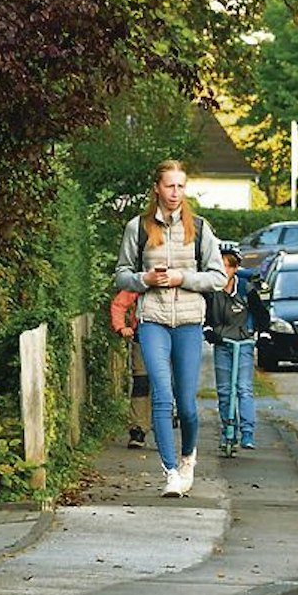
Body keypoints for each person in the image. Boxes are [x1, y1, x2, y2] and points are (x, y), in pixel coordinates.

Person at [115, 160, 226, 497]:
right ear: (157, 188)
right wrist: (144, 279)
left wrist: (182, 278)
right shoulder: (137, 227)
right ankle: (171, 473)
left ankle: (188, 457)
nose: (175, 192)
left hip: (189, 322)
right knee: (162, 395)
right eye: (169, 185)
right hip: (153, 320)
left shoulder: (201, 228)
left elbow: (218, 278)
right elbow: (121, 275)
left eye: (180, 186)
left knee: (187, 405)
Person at [207, 247, 263, 454]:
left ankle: (247, 433)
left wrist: (262, 334)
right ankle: (227, 432)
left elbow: (261, 314)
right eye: (219, 266)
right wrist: (209, 331)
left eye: (227, 267)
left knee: (243, 388)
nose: (223, 271)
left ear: (235, 268)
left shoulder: (245, 290)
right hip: (223, 343)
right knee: (224, 391)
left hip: (243, 343)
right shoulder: (211, 291)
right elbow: (205, 316)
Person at [108, 288, 148, 449]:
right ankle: (138, 427)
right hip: (142, 337)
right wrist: (120, 327)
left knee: (166, 384)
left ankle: (163, 424)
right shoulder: (142, 281)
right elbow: (119, 303)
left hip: (172, 338)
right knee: (141, 382)